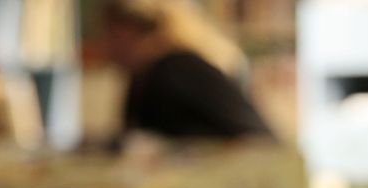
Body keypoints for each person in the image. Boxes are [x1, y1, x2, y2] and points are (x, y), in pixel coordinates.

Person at [102, 0, 272, 142]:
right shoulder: (145, 77)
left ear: (131, 31)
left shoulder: (176, 71)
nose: (107, 46)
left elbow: (255, 137)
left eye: (112, 35)